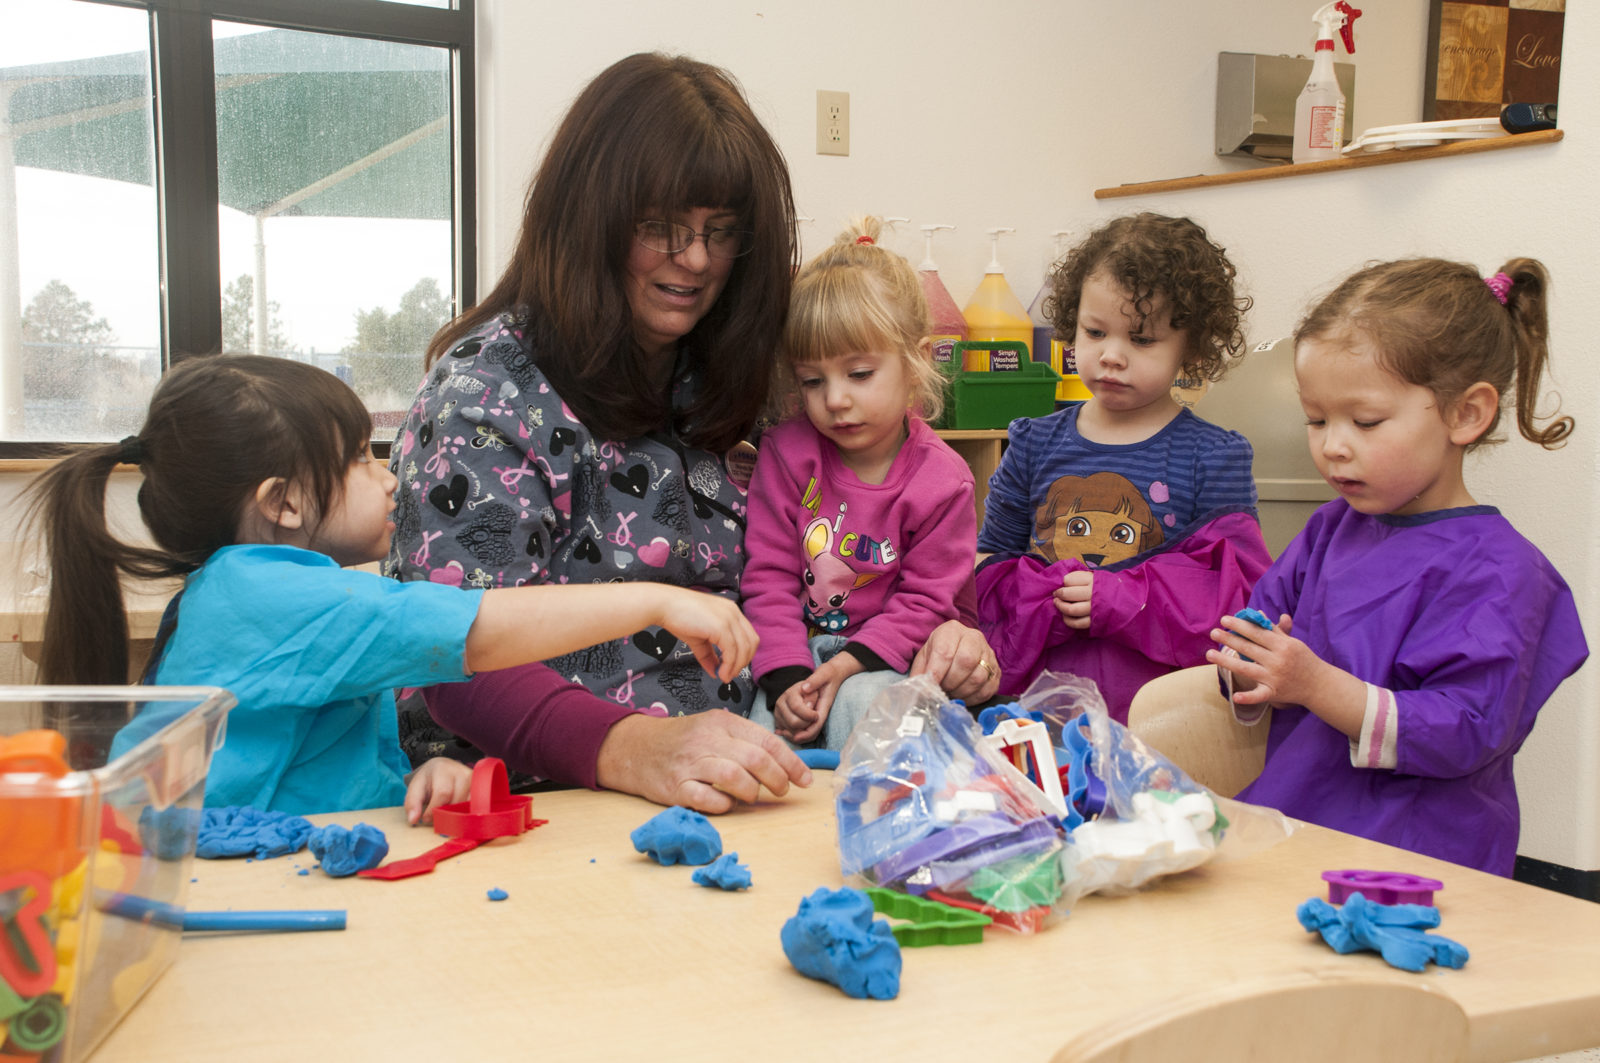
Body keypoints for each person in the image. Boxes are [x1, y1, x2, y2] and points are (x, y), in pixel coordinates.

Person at [385, 53, 999, 813]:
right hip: (542, 797)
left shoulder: (740, 383)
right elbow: (450, 656)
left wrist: (957, 635)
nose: (697, 259)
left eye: (721, 232)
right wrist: (636, 747)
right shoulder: (486, 396)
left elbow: (871, 561)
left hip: (758, 766)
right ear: (589, 222)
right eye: (661, 229)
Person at [26, 355, 758, 823]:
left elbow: (311, 762)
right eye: (355, 459)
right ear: (283, 502)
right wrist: (658, 599)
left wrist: (417, 775)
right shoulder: (269, 598)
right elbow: (479, 627)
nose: (387, 476)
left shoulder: (251, 594)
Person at [1209, 257, 1588, 876]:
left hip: (1419, 860)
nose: (1332, 444)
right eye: (1316, 419)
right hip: (1299, 828)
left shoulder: (1501, 571)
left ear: (1466, 414)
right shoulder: (1330, 529)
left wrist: (1314, 684)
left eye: (1365, 422)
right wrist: (1249, 669)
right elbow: (1258, 638)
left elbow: (1465, 730)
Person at [975, 212, 1271, 721]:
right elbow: (987, 568)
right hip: (1037, 704)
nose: (1110, 355)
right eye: (1094, 332)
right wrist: (1045, 596)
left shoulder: (1213, 456)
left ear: (1192, 349)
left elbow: (1236, 594)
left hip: (1160, 717)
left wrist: (1123, 597)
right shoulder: (1032, 442)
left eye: (1141, 340)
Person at [742, 217, 977, 749]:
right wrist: (784, 675)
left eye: (859, 374)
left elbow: (927, 604)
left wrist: (845, 668)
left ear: (916, 363)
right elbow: (768, 578)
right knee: (760, 736)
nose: (836, 399)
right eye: (812, 380)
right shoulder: (786, 453)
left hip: (883, 661)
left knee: (860, 709)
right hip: (794, 654)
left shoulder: (944, 481)